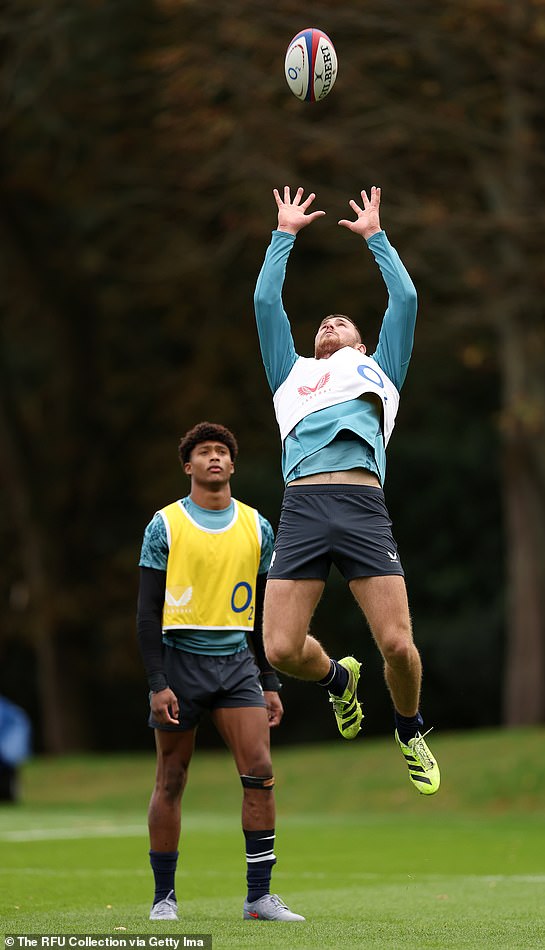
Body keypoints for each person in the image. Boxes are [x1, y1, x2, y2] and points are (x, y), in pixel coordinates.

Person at [254, 185, 440, 796]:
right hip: (303, 506)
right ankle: (339, 680)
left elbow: (406, 298)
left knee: (399, 645)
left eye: (343, 322)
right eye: (323, 324)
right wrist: (283, 236)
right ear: (312, 345)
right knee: (279, 648)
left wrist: (377, 239)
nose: (331, 324)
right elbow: (265, 301)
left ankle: (410, 729)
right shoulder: (293, 373)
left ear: (360, 343)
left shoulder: (381, 369)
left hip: (362, 507)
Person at [136, 421, 305, 923]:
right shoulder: (164, 525)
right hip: (179, 663)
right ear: (188, 466)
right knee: (172, 778)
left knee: (261, 772)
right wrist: (156, 681)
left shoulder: (258, 527)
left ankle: (259, 898)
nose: (214, 458)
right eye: (203, 453)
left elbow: (261, 616)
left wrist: (269, 681)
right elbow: (147, 612)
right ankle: (163, 897)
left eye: (221, 452)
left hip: (236, 666)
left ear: (232, 465)